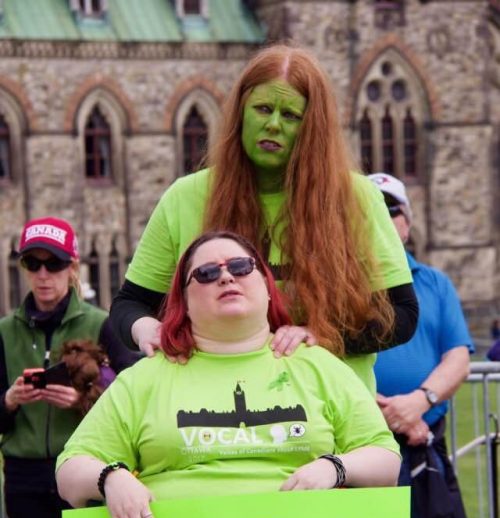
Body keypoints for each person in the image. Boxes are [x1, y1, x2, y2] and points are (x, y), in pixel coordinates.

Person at [56, 231, 401, 518]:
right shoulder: (146, 378)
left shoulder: (318, 366)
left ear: (267, 287)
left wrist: (334, 467)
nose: (225, 276)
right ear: (184, 301)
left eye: (240, 266)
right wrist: (111, 478)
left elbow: (385, 459)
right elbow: (70, 470)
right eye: (206, 273)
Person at [110, 44, 418, 394]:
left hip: (329, 409)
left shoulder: (356, 197)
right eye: (262, 109)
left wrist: (320, 336)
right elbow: (129, 305)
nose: (272, 124)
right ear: (241, 113)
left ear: (312, 127)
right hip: (216, 413)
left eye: (290, 116)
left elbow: (403, 315)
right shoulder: (185, 197)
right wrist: (145, 328)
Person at [0, 216, 138, 518]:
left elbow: (132, 395)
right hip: (24, 478)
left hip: (84, 474)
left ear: (72, 266)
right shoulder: (6, 331)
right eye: (33, 264)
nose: (43, 275)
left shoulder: (101, 323)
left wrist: (82, 400)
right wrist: (9, 400)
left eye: (54, 264)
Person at [370, 173, 475, 518]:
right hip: (359, 452)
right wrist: (376, 409)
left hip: (418, 448)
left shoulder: (433, 283)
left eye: (393, 211)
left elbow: (457, 354)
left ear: (407, 222)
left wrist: (419, 403)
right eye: (374, 211)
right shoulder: (338, 280)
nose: (385, 221)